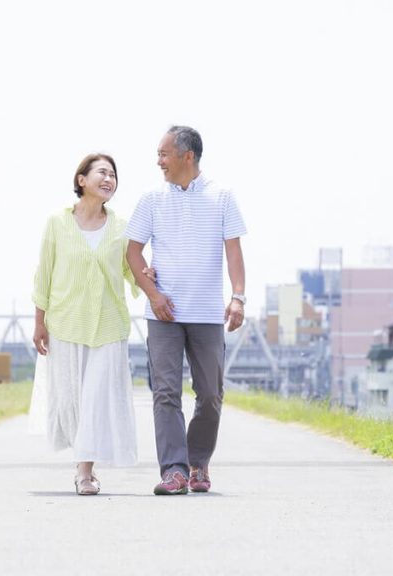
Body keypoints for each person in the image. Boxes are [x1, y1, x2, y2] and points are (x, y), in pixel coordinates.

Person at [126, 125, 247, 495]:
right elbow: (132, 252)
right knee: (165, 392)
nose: (158, 161)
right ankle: (174, 471)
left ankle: (198, 462)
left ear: (186, 156)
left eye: (163, 154)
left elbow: (234, 254)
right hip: (163, 315)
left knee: (210, 392)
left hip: (208, 314)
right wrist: (153, 295)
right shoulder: (150, 199)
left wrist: (238, 297)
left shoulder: (222, 197)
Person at [30, 152, 139, 495]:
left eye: (113, 175)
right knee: (73, 400)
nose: (109, 180)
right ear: (82, 180)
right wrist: (39, 322)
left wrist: (150, 281)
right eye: (102, 173)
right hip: (66, 322)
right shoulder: (57, 223)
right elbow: (43, 274)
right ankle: (82, 465)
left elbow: (131, 269)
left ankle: (86, 472)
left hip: (108, 324)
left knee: (95, 398)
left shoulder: (122, 226)